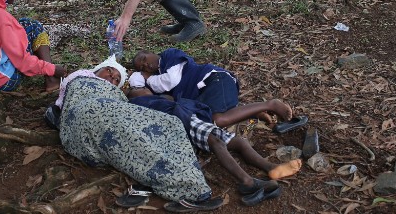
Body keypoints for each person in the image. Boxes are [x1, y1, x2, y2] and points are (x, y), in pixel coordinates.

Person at [50, 56, 224, 212]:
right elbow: (58, 108)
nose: (112, 76)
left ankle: (181, 183)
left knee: (171, 123)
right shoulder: (80, 77)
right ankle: (189, 191)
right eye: (109, 70)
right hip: (88, 115)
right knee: (131, 135)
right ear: (98, 68)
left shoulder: (116, 96)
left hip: (104, 119)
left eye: (117, 79)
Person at [126, 87, 302, 206]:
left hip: (189, 119)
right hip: (182, 121)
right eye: (138, 89)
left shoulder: (159, 97)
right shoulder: (139, 104)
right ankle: (247, 181)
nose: (144, 88)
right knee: (215, 141)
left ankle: (271, 168)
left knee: (239, 142)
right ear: (134, 96)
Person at [129, 48, 293, 128]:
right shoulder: (158, 80)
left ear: (150, 52)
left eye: (144, 58)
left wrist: (147, 78)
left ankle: (270, 104)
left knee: (218, 120)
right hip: (204, 95)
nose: (146, 65)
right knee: (205, 120)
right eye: (142, 67)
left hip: (214, 79)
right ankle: (253, 111)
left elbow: (170, 80)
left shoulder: (168, 56)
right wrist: (138, 80)